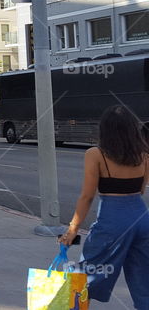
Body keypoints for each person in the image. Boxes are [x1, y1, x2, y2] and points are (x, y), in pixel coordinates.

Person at [60, 105, 149, 308]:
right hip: (142, 219)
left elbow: (87, 197)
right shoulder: (144, 154)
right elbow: (142, 189)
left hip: (112, 221)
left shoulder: (96, 154)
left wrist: (72, 230)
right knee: (144, 281)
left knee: (86, 276)